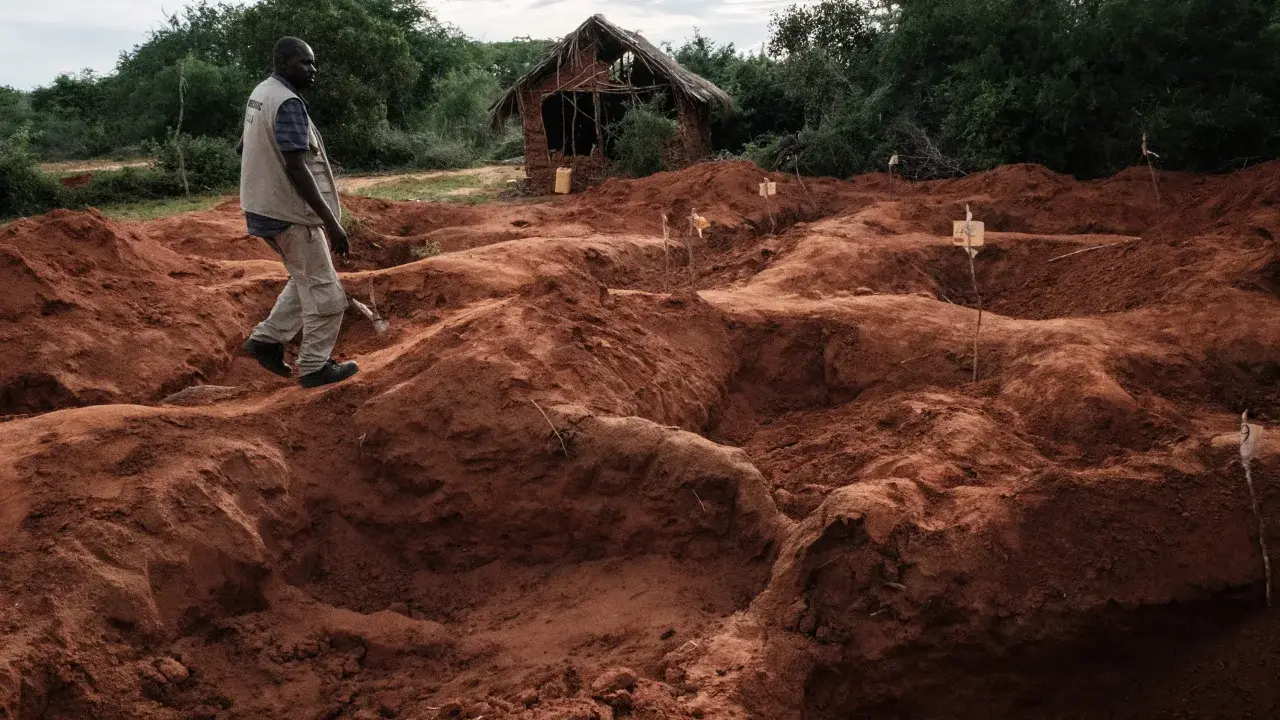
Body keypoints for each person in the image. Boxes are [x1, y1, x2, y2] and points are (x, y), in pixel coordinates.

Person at [238, 37, 359, 388]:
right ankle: (314, 367)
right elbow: (296, 167)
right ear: (283, 62)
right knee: (327, 294)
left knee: (305, 276)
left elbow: (243, 144)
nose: (312, 69)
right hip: (288, 213)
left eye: (312, 62)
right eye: (305, 62)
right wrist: (331, 223)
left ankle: (266, 340)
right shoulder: (288, 103)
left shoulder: (262, 93)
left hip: (261, 207)